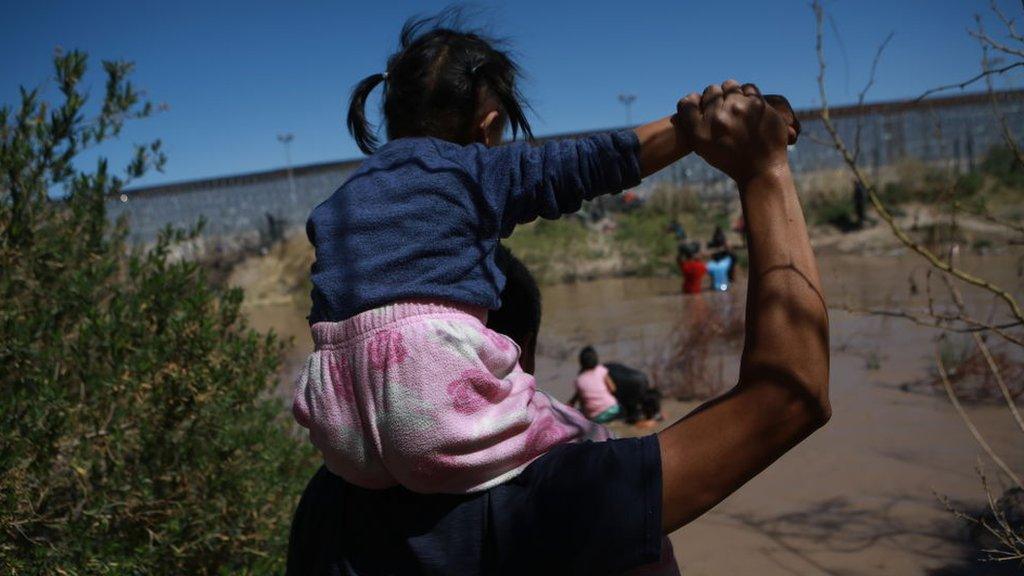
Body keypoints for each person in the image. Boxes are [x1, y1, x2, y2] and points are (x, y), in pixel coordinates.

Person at [290, 38, 826, 576]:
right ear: (488, 126)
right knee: (577, 434)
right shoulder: (562, 496)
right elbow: (787, 399)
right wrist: (749, 161)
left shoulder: (323, 510)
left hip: (334, 405)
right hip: (464, 428)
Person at [569, 346, 622, 423]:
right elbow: (613, 388)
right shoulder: (601, 370)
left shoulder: (578, 380)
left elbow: (583, 402)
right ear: (596, 359)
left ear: (581, 362)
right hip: (612, 409)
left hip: (595, 417)